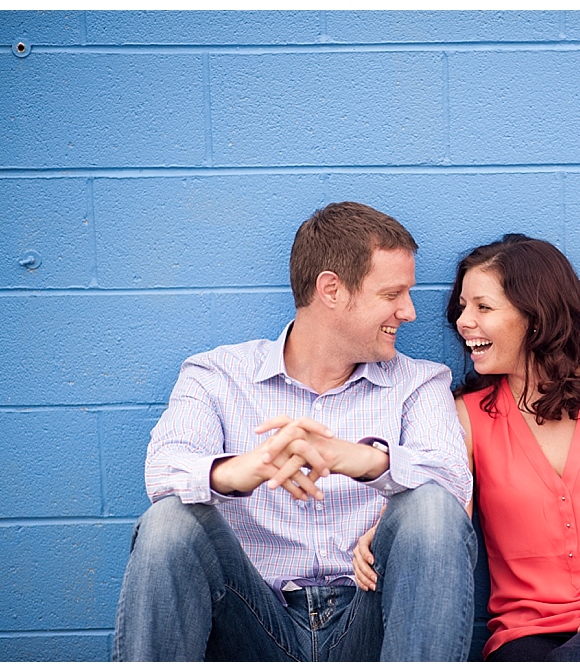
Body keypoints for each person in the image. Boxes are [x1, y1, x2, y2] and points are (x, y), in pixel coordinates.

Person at [112, 202, 476, 662]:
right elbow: (164, 469)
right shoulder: (217, 374)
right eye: (392, 294)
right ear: (331, 290)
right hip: (256, 621)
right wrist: (240, 470)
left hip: (369, 619)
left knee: (431, 509)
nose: (409, 312)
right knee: (170, 522)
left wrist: (363, 460)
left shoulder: (420, 381)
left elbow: (451, 480)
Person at [354, 234, 580, 661]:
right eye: (462, 308)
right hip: (523, 635)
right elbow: (447, 525)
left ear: (535, 316)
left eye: (483, 307)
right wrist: (393, 532)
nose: (464, 321)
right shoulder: (467, 417)